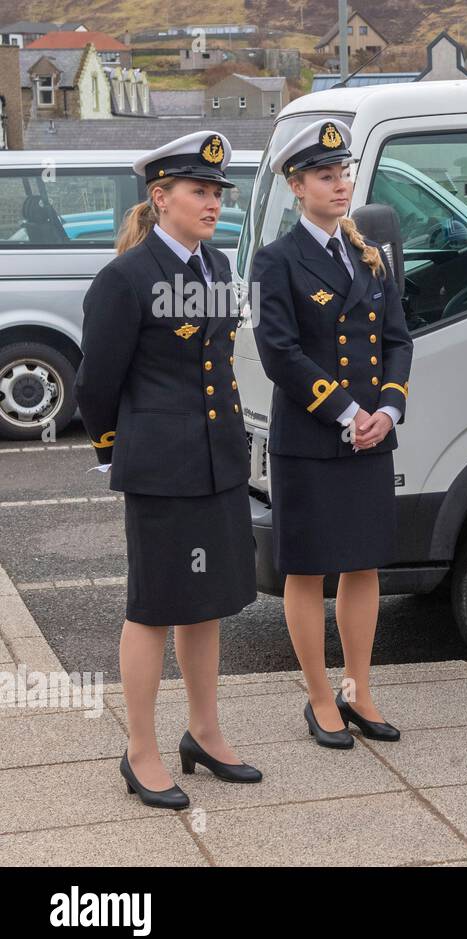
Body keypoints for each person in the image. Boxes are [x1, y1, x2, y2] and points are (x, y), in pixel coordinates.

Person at [75, 130, 260, 810]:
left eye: (217, 193)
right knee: (153, 609)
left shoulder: (217, 268)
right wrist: (113, 451)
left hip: (214, 462)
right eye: (199, 191)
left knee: (205, 602)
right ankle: (141, 751)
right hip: (159, 467)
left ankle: (205, 734)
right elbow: (97, 381)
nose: (213, 203)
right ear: (160, 198)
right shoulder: (126, 278)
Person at [251, 119, 413, 748]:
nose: (341, 184)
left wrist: (389, 411)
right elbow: (280, 354)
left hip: (373, 435)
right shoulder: (278, 260)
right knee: (309, 569)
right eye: (326, 175)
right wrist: (349, 413)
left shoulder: (367, 252)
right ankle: (320, 697)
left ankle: (360, 690)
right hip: (314, 438)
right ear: (297, 186)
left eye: (343, 173)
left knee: (363, 564)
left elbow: (397, 339)